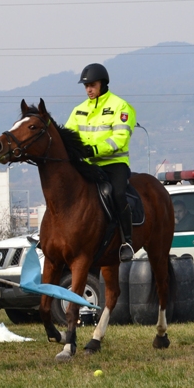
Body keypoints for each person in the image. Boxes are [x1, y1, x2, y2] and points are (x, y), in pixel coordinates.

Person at [65, 63, 137, 262]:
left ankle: (126, 241)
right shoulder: (78, 110)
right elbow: (69, 136)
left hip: (114, 164)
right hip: (88, 164)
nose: (88, 89)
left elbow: (120, 138)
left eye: (92, 85)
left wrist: (94, 149)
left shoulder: (120, 107)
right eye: (86, 86)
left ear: (103, 84)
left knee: (118, 193)